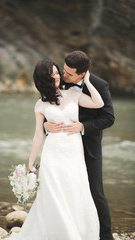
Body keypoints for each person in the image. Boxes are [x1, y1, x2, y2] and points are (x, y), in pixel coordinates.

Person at [6, 59, 104, 240]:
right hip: (52, 154)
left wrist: (88, 81)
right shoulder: (40, 105)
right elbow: (38, 135)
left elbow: (98, 103)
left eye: (57, 72)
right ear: (44, 79)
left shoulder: (73, 93)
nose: (57, 77)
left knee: (75, 190)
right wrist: (30, 161)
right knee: (54, 194)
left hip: (74, 153)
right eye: (52, 75)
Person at [44, 50, 115, 240]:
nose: (64, 75)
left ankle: (106, 236)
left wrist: (83, 126)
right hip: (63, 146)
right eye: (64, 70)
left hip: (89, 144)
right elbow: (48, 109)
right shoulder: (61, 81)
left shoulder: (100, 85)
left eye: (69, 73)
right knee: (64, 187)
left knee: (95, 190)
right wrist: (46, 126)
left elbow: (108, 118)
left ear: (82, 74)